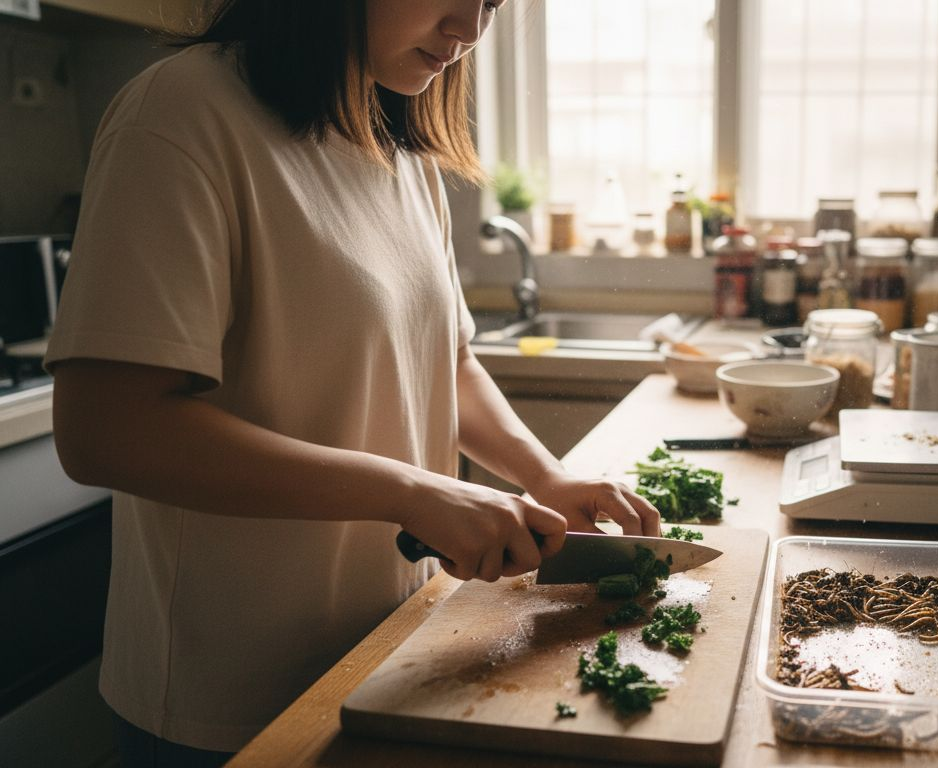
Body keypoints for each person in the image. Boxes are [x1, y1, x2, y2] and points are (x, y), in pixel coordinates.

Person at [44, 1, 659, 764]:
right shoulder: (181, 112)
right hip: (229, 696)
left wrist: (546, 476)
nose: (470, 30)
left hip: (393, 650)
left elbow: (450, 362)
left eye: (494, 2)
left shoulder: (398, 149)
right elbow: (108, 428)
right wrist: (411, 491)